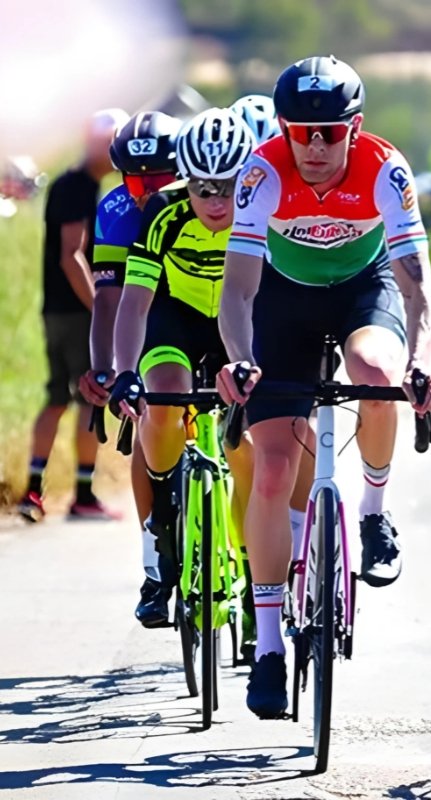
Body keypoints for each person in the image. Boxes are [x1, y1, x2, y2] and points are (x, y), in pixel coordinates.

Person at [216, 55, 431, 719]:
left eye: (330, 133)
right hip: (281, 302)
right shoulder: (261, 172)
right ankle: (266, 648)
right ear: (283, 128)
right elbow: (237, 290)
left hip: (359, 290)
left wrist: (422, 361)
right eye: (301, 132)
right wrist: (237, 358)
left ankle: (373, 514)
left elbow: (416, 285)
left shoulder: (384, 168)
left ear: (356, 127)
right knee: (271, 469)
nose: (315, 147)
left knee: (376, 373)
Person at [106, 109, 258, 626]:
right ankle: (161, 527)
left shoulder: (264, 211)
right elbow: (133, 303)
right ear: (183, 182)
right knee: (163, 403)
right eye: (202, 189)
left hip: (238, 327)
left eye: (228, 188)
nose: (216, 202)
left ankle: (252, 561)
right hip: (176, 321)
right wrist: (124, 370)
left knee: (247, 448)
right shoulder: (164, 215)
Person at [78, 111, 183, 620]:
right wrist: (106, 370)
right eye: (135, 179)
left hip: (200, 310)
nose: (145, 189)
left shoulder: (203, 201)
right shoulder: (117, 208)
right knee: (147, 420)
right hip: (144, 318)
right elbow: (108, 299)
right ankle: (155, 561)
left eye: (160, 178)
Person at [18, 108, 128, 523]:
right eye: (112, 144)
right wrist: (101, 307)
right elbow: (72, 255)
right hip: (75, 312)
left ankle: (34, 491)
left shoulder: (81, 185)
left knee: (59, 399)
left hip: (58, 310)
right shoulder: (78, 187)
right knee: (89, 398)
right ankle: (81, 495)